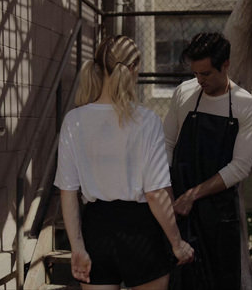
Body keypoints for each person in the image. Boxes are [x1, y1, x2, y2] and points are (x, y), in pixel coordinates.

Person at [54, 35, 194, 290]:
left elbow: (68, 192)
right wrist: (177, 243)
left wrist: (77, 248)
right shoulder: (147, 120)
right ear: (133, 69)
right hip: (141, 231)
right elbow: (155, 194)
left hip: (95, 228)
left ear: (98, 68)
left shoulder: (74, 121)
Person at [163, 32, 252, 290]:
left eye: (206, 74)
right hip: (179, 208)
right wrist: (169, 195)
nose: (199, 80)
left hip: (219, 215)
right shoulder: (183, 94)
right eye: (195, 73)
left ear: (225, 65)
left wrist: (192, 195)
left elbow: (240, 167)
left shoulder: (247, 106)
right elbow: (167, 145)